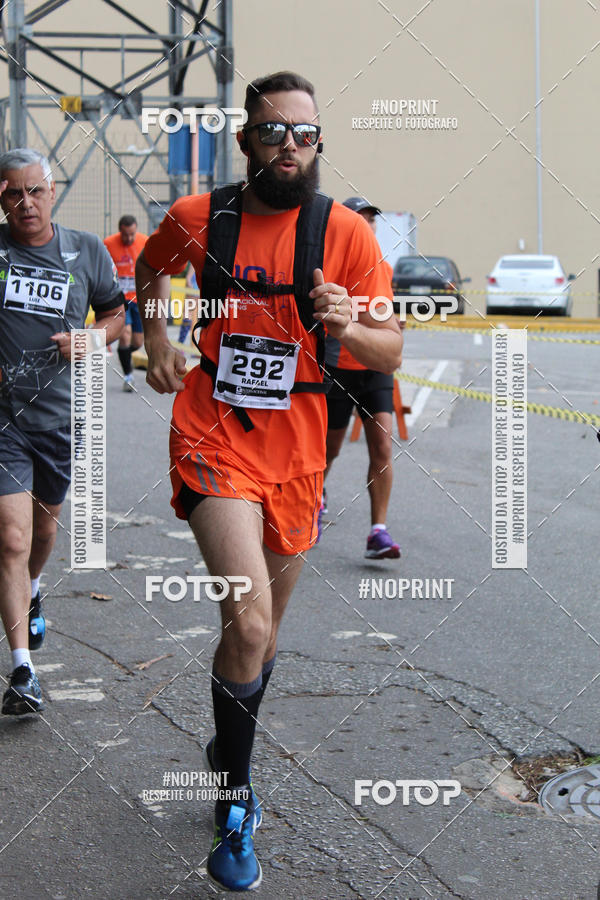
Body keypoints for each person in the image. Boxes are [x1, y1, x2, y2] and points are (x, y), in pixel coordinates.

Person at [136, 71, 403, 893]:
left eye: (305, 133)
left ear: (319, 143)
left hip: (302, 446)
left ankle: (229, 741)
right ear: (246, 139)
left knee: (263, 635)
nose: (290, 145)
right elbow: (148, 274)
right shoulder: (201, 220)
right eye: (274, 131)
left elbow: (391, 353)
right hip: (213, 433)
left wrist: (349, 322)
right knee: (247, 625)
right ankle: (236, 799)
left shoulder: (346, 236)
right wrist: (156, 342)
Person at [0, 148, 125, 715]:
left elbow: (118, 316)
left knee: (43, 534)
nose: (25, 203)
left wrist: (94, 340)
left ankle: (30, 588)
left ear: (52, 192)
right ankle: (23, 671)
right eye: (11, 194)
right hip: (3, 420)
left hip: (60, 418)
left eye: (35, 191)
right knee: (11, 538)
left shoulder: (87, 251)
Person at [321, 196, 401, 559]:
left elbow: (386, 314)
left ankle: (378, 532)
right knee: (328, 450)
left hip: (375, 370)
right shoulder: (332, 262)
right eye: (360, 219)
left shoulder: (383, 265)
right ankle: (314, 500)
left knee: (382, 446)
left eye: (372, 220)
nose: (367, 225)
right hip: (338, 368)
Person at [104, 215, 147, 391]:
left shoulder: (145, 241)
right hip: (119, 298)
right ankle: (128, 376)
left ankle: (123, 355)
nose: (129, 238)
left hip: (139, 298)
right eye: (125, 235)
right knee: (125, 333)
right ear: (119, 230)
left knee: (137, 342)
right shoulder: (108, 243)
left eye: (132, 234)